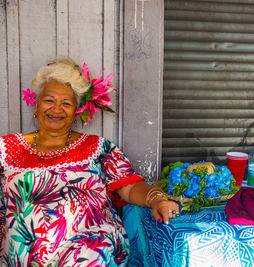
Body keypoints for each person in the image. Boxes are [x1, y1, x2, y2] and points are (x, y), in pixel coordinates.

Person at [0, 57, 180, 266]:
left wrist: (156, 199)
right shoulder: (6, 147)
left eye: (66, 103)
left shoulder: (98, 147)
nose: (56, 109)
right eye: (49, 100)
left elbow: (129, 187)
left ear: (76, 110)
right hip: (21, 257)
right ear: (37, 103)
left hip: (90, 252)